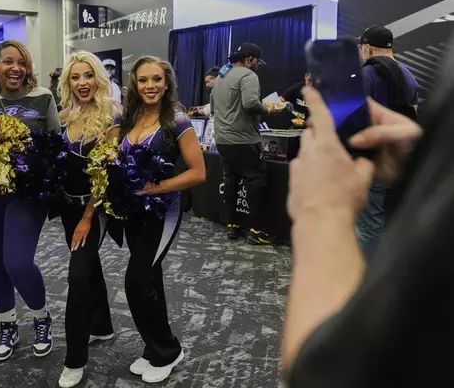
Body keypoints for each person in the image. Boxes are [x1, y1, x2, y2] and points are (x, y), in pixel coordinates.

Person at [280, 43, 454, 383]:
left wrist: (321, 209)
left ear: (366, 47)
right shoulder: (405, 72)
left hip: (360, 171)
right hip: (385, 160)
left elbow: (331, 369)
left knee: (369, 224)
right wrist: (423, 165)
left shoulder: (372, 73)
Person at [0, 40, 59, 362]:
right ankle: (7, 324)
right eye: (7, 61)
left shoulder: (43, 96)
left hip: (28, 192)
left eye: (21, 62)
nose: (15, 68)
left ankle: (41, 316)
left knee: (17, 261)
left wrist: (29, 161)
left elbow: (55, 145)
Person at [120, 56, 205, 384]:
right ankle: (154, 347)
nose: (149, 86)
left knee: (136, 281)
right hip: (133, 213)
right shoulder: (129, 117)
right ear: (135, 84)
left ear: (167, 82)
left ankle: (168, 350)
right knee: (149, 280)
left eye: (156, 79)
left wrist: (155, 188)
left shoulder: (178, 120)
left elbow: (199, 173)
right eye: (143, 80)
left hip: (163, 214)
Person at [55, 51, 121, 388]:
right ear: (68, 82)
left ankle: (74, 358)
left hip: (93, 210)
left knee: (77, 275)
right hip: (68, 207)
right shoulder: (66, 113)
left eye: (88, 76)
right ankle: (102, 325)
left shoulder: (111, 117)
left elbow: (105, 176)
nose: (83, 83)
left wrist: (86, 216)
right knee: (89, 267)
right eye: (76, 77)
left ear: (99, 79)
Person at [356, 25, 419, 260]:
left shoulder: (365, 75)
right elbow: (413, 116)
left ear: (368, 47)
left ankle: (368, 284)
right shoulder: (409, 75)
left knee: (368, 224)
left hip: (373, 160)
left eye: (362, 48)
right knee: (390, 220)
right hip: (401, 158)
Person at [210, 43, 283, 242]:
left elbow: (212, 108)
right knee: (255, 182)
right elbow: (250, 103)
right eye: (257, 61)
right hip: (244, 139)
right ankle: (256, 232)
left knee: (230, 181)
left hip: (222, 139)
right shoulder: (248, 76)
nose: (257, 65)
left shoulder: (221, 77)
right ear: (250, 59)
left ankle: (233, 226)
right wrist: (269, 109)